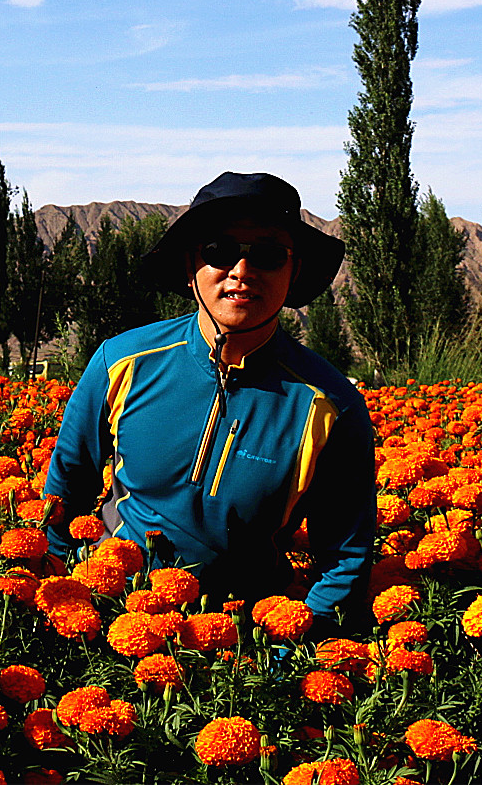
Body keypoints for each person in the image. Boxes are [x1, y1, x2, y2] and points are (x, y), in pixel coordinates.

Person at [43, 171, 375, 632]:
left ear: (294, 270)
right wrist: (64, 600)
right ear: (189, 264)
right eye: (219, 251)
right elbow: (65, 492)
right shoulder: (121, 363)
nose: (242, 270)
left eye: (268, 255)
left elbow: (345, 556)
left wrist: (280, 660)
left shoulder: (330, 405)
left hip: (244, 646)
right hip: (111, 616)